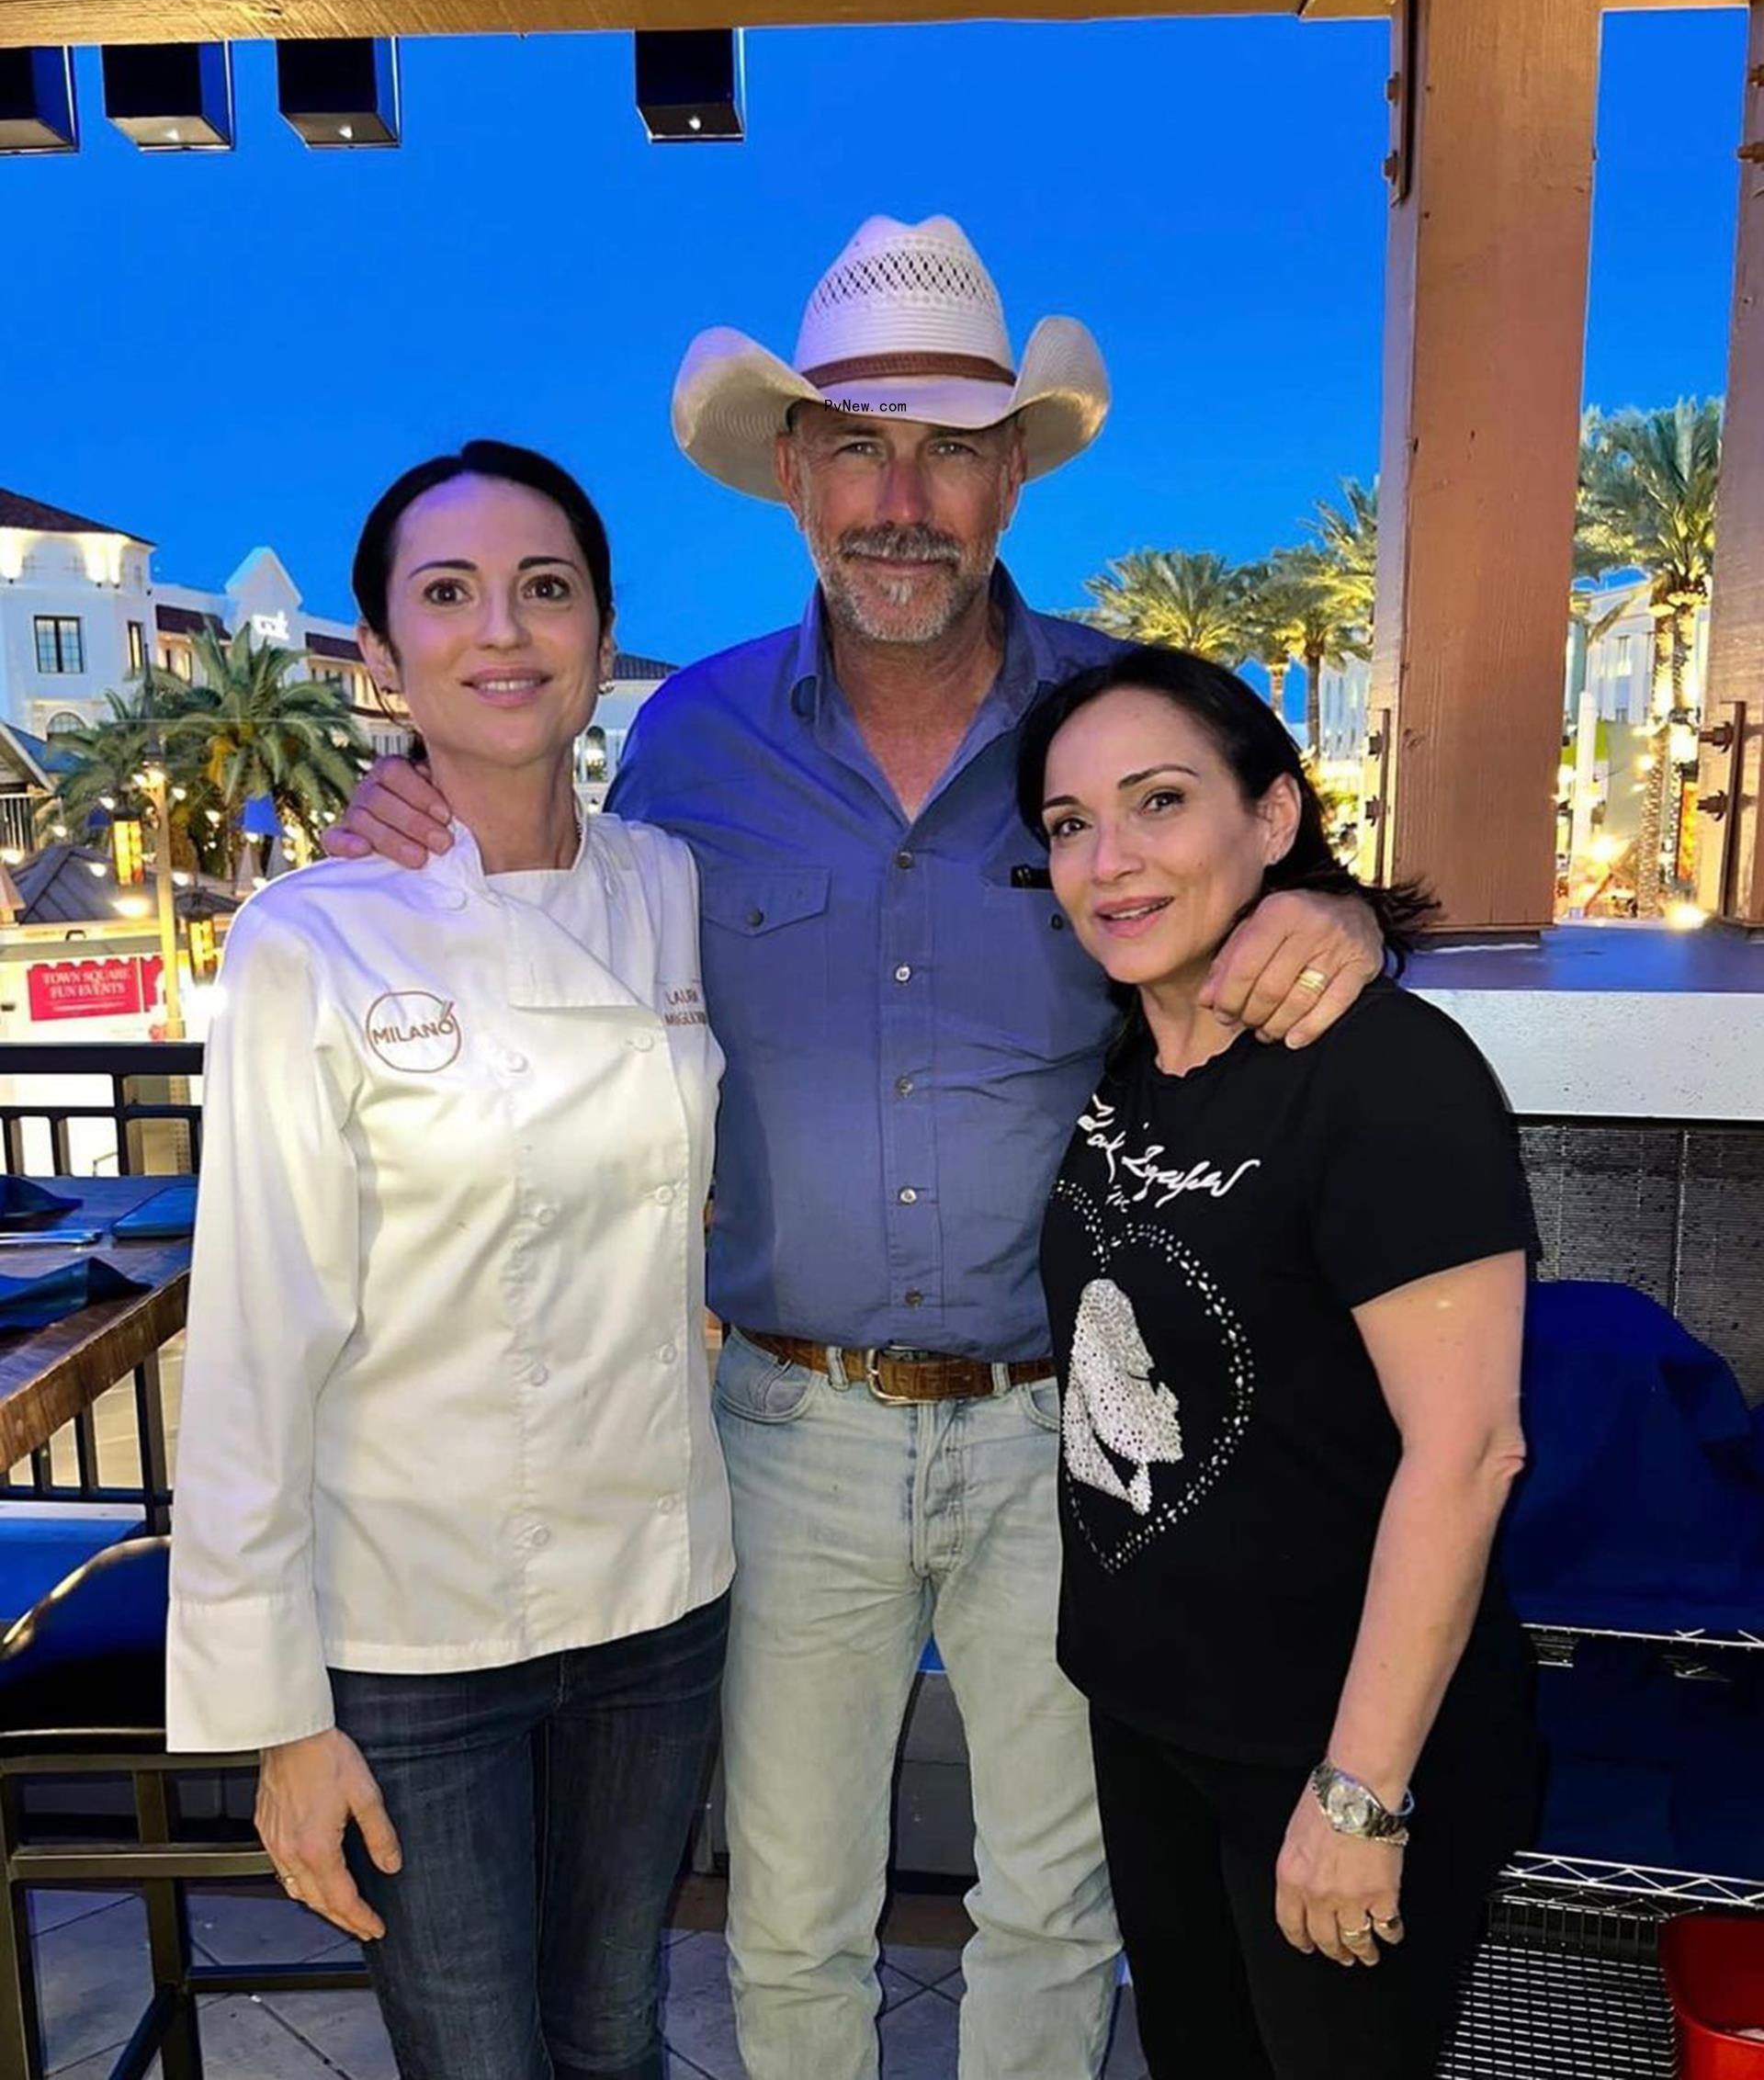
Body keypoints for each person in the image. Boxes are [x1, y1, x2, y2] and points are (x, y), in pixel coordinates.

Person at [327, 215, 1384, 2080]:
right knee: (793, 1918)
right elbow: (547, 937)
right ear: (795, 473)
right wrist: (394, 805)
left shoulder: (1121, 720)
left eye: (955, 448)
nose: (905, 498)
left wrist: (1352, 923)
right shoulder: (688, 743)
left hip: (1080, 1425)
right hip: (785, 1425)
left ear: (1014, 473)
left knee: (1055, 1907)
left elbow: (1277, 881)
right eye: (859, 447)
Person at [167, 441, 734, 2080]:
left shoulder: (672, 889)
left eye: (545, 589)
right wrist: (282, 1717)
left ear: (601, 629)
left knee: (617, 2029)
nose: (505, 631)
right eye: (449, 594)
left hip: (657, 1590)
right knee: (476, 2055)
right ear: (377, 659)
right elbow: (258, 1344)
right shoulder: (308, 942)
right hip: (410, 1628)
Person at [1018, 646, 1541, 2080]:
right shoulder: (1133, 1053)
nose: (1110, 861)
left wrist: (1361, 1795)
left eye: (1161, 803)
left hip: (1330, 1747)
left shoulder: (1386, 1071)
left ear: (1273, 817)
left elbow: (1469, 1450)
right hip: (1155, 1719)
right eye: (1071, 826)